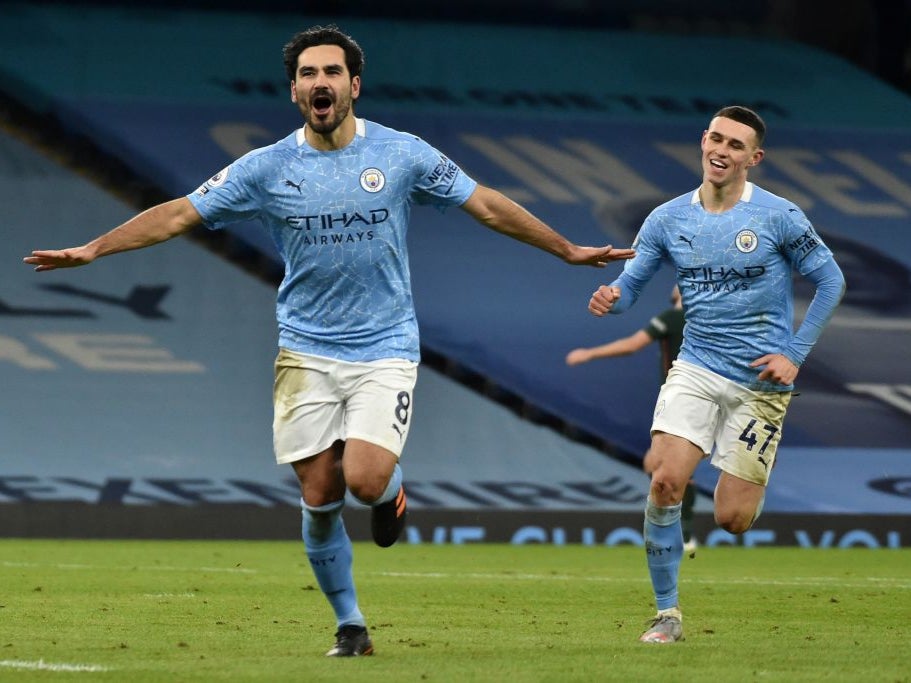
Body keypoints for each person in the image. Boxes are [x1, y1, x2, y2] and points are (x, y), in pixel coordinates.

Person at [23, 25, 634, 657]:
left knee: (366, 480)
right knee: (319, 494)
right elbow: (179, 213)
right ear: (295, 91)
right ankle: (351, 626)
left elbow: (484, 204)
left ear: (354, 85)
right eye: (309, 74)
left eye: (332, 73)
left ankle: (392, 494)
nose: (321, 83)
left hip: (385, 345)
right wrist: (94, 248)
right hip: (306, 349)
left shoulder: (401, 154)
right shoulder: (265, 168)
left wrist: (564, 248)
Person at [586, 106, 845, 644]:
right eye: (716, 139)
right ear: (703, 141)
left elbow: (831, 280)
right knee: (664, 480)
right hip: (697, 367)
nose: (722, 151)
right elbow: (630, 287)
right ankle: (667, 615)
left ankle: (746, 477)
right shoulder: (667, 218)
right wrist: (612, 298)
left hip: (762, 382)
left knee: (732, 519)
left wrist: (795, 353)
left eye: (735, 145)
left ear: (754, 158)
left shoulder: (779, 216)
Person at [566, 285, 698, 558]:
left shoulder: (674, 317)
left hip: (677, 399)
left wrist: (590, 354)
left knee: (658, 465)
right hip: (702, 399)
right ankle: (682, 531)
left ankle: (679, 532)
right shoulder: (704, 319)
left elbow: (632, 345)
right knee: (674, 468)